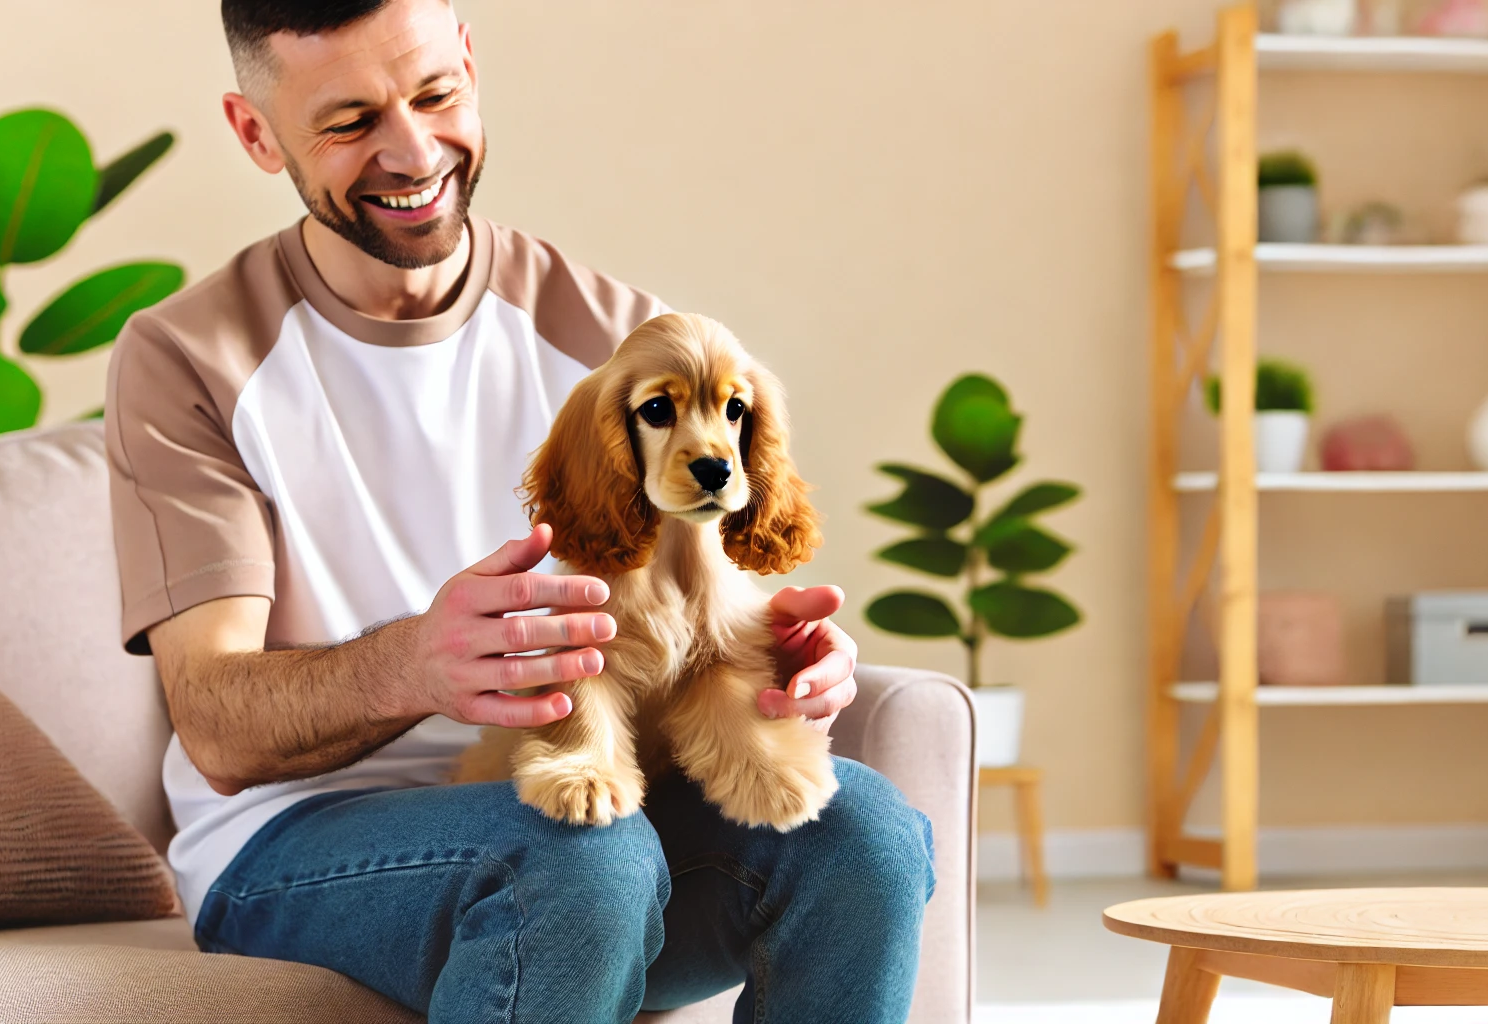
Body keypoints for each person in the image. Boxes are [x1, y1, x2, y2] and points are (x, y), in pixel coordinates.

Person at [103, 1, 935, 1020]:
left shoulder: (616, 337)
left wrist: (787, 666)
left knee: (868, 838)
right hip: (295, 839)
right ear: (255, 132)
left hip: (584, 811)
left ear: (469, 63)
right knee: (577, 858)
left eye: (434, 94)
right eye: (350, 122)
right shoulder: (189, 358)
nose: (411, 151)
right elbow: (219, 728)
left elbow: (694, 625)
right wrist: (415, 662)